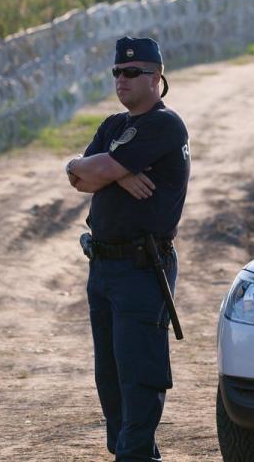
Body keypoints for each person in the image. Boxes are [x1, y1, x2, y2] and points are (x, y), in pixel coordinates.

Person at [64, 36, 190, 461]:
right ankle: (131, 453)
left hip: (141, 266)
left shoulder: (164, 124)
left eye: (132, 73)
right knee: (110, 375)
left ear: (156, 77)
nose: (122, 80)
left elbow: (93, 169)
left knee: (139, 373)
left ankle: (134, 455)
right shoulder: (113, 126)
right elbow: (81, 177)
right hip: (103, 265)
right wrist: (115, 172)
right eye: (118, 72)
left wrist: (103, 168)